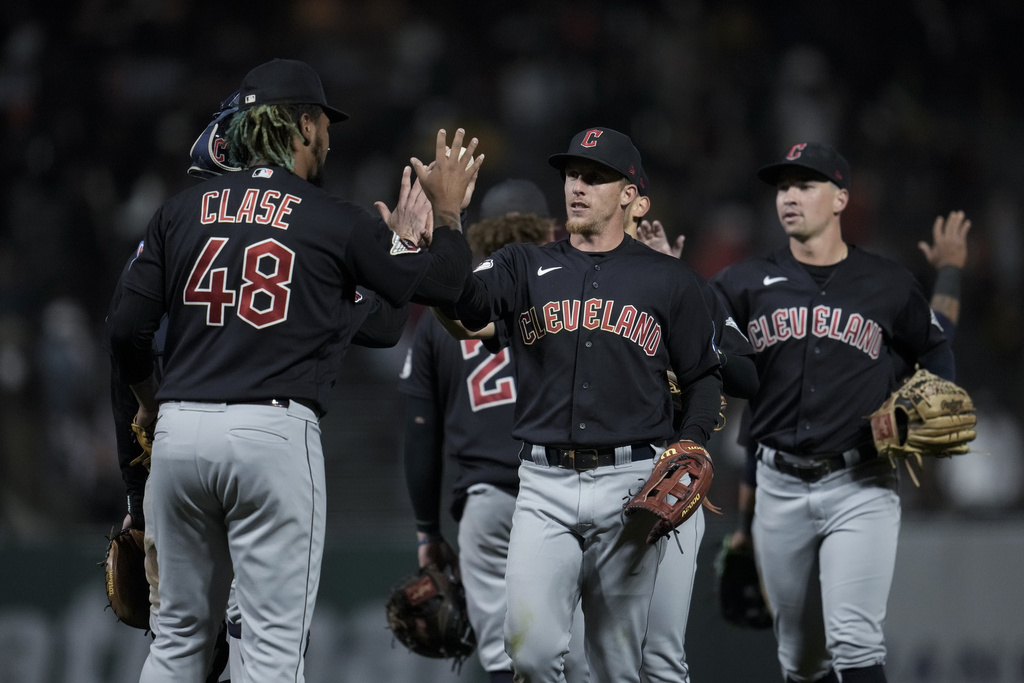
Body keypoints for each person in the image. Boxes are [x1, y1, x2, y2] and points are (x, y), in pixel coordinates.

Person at [108, 58, 482, 682]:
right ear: (303, 126)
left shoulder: (181, 210)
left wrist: (148, 398)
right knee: (271, 654)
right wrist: (442, 221)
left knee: (176, 644)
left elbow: (124, 329)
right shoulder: (330, 222)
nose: (330, 137)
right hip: (271, 437)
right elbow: (448, 286)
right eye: (324, 123)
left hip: (179, 433)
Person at [449, 127, 723, 683]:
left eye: (595, 177)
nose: (578, 186)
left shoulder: (668, 279)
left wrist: (692, 439)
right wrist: (446, 220)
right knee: (528, 653)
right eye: (573, 175)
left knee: (619, 665)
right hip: (542, 484)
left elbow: (705, 375)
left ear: (630, 195)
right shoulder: (525, 265)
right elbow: (465, 302)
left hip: (631, 482)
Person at [710, 142, 955, 683]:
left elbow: (935, 346)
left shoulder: (887, 283)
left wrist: (933, 394)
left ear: (841, 197)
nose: (789, 197)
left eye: (806, 185)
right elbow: (692, 332)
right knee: (800, 659)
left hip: (860, 483)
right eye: (783, 187)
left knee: (854, 639)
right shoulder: (743, 283)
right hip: (778, 485)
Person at [400, 179, 591, 683]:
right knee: (578, 655)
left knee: (506, 658)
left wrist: (427, 529)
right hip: (566, 487)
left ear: (481, 229)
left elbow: (421, 430)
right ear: (550, 227)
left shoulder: (453, 311)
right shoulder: (570, 290)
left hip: (487, 500)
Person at [626, 188, 758, 683]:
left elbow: (748, 376)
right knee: (579, 651)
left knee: (659, 653)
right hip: (589, 471)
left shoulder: (692, 291)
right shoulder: (579, 290)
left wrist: (691, 336)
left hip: (671, 471)